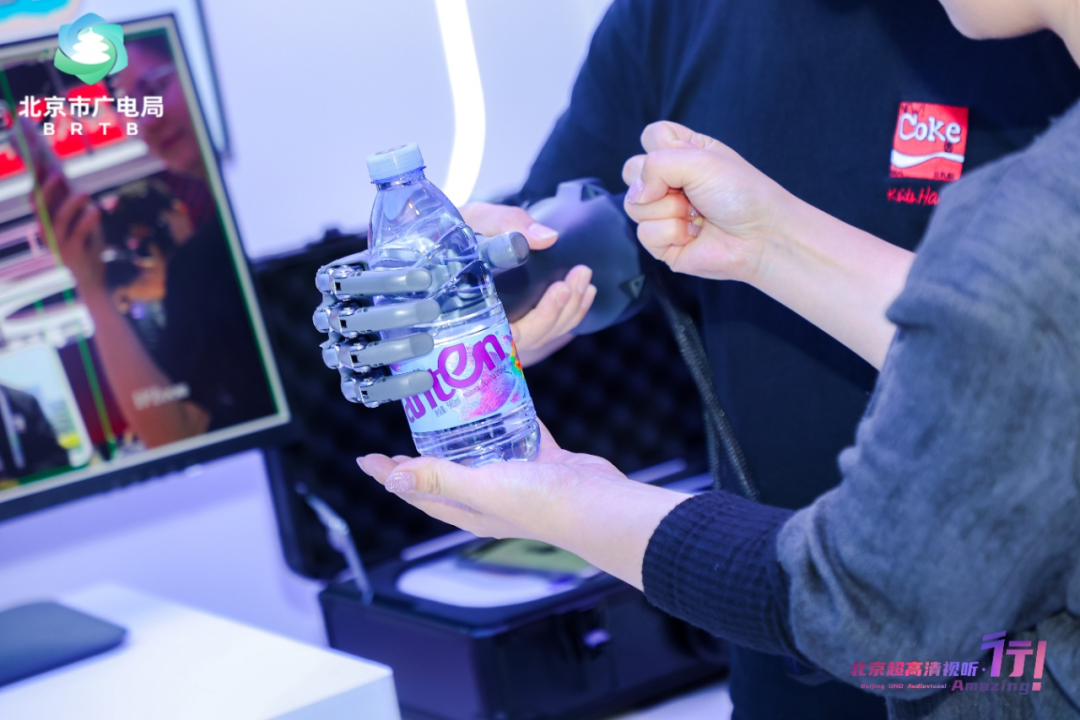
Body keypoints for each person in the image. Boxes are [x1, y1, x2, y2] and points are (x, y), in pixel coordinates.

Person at [357, 0, 1080, 717]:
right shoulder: (669, 20)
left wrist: (571, 502)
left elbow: (870, 602)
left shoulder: (1026, 193)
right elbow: (1013, 346)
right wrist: (511, 282)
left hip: (975, 649)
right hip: (781, 644)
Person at [35, 33, 273, 448]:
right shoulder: (198, 266)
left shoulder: (214, 255)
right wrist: (90, 284)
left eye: (154, 90)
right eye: (133, 108)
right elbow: (178, 427)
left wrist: (92, 286)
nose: (148, 120)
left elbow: (177, 430)